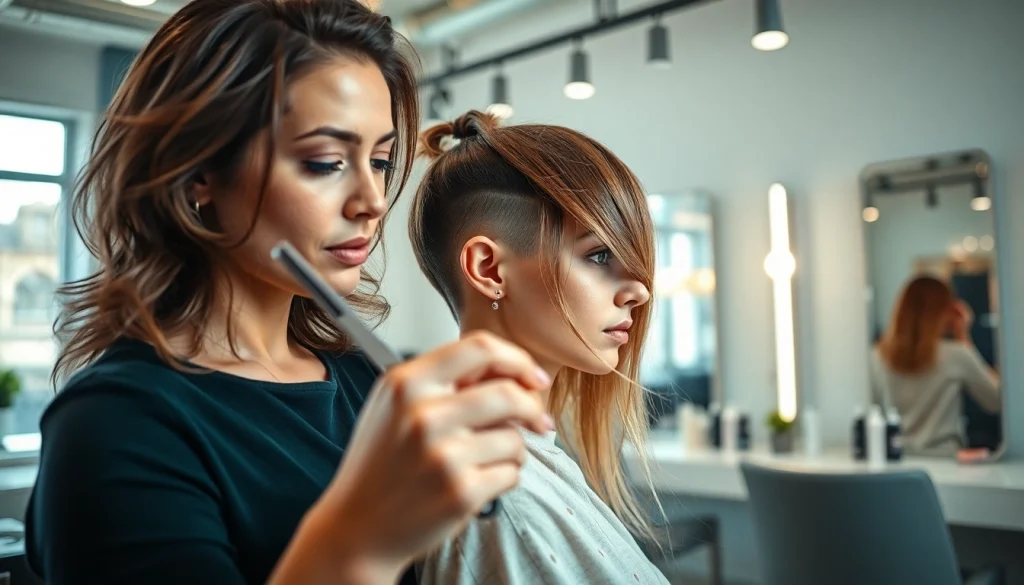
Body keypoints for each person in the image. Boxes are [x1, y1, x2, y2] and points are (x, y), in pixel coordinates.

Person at [25, 1, 555, 584]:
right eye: (325, 162)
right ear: (198, 173)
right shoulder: (114, 426)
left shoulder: (366, 384)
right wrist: (361, 541)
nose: (373, 201)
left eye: (379, 161)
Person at [408, 111, 670, 584]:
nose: (639, 291)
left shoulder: (530, 463)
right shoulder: (501, 505)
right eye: (598, 255)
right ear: (489, 270)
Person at [870, 275, 1001, 456]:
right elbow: (996, 400)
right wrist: (964, 337)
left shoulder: (878, 356)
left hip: (898, 459)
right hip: (947, 459)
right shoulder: (957, 355)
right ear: (945, 311)